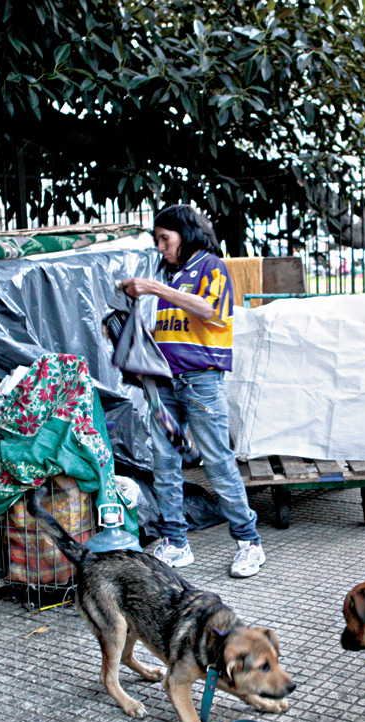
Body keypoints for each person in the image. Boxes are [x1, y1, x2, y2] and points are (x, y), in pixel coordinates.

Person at [118, 204, 265, 578]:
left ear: (186, 233)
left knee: (217, 462)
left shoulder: (210, 265)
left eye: (165, 238)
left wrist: (152, 287)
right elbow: (168, 326)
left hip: (201, 380)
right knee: (163, 463)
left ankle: (249, 543)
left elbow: (210, 310)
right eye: (157, 240)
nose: (161, 247)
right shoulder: (170, 272)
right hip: (164, 382)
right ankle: (176, 544)